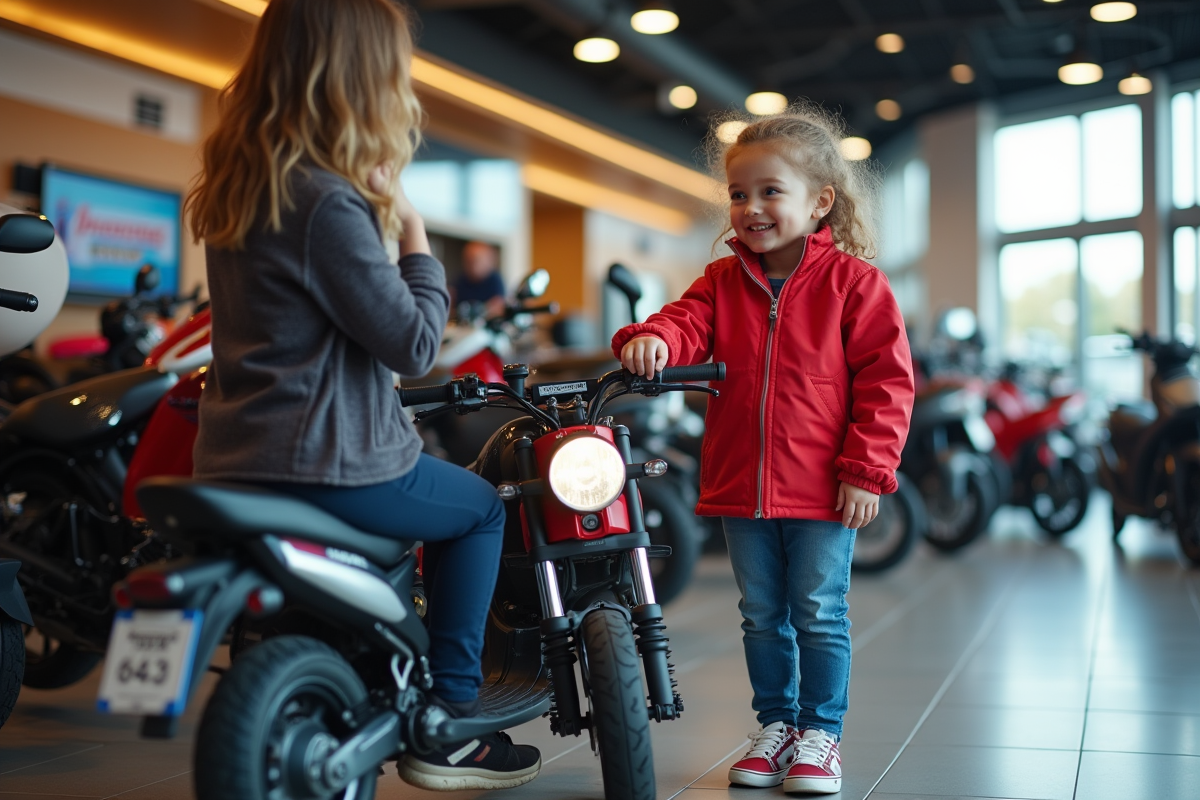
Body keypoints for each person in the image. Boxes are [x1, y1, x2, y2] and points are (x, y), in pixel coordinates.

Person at [184, 0, 540, 791]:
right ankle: (450, 718)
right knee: (480, 507)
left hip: (236, 456)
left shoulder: (240, 186)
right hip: (331, 459)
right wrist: (413, 228)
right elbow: (413, 344)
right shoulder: (324, 201)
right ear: (360, 72)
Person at [614, 106, 914, 795]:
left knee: (819, 611)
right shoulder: (721, 282)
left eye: (770, 191)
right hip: (741, 483)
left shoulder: (855, 285)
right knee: (760, 614)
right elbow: (683, 323)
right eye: (739, 194)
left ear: (820, 202)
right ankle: (776, 727)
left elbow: (887, 383)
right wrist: (653, 338)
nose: (751, 208)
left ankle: (821, 736)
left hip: (823, 488)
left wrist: (867, 471)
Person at [453, 240, 506, 318]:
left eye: (475, 260)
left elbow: (497, 306)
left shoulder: (495, 280)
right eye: (468, 261)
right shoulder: (461, 280)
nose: (471, 265)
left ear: (489, 261)